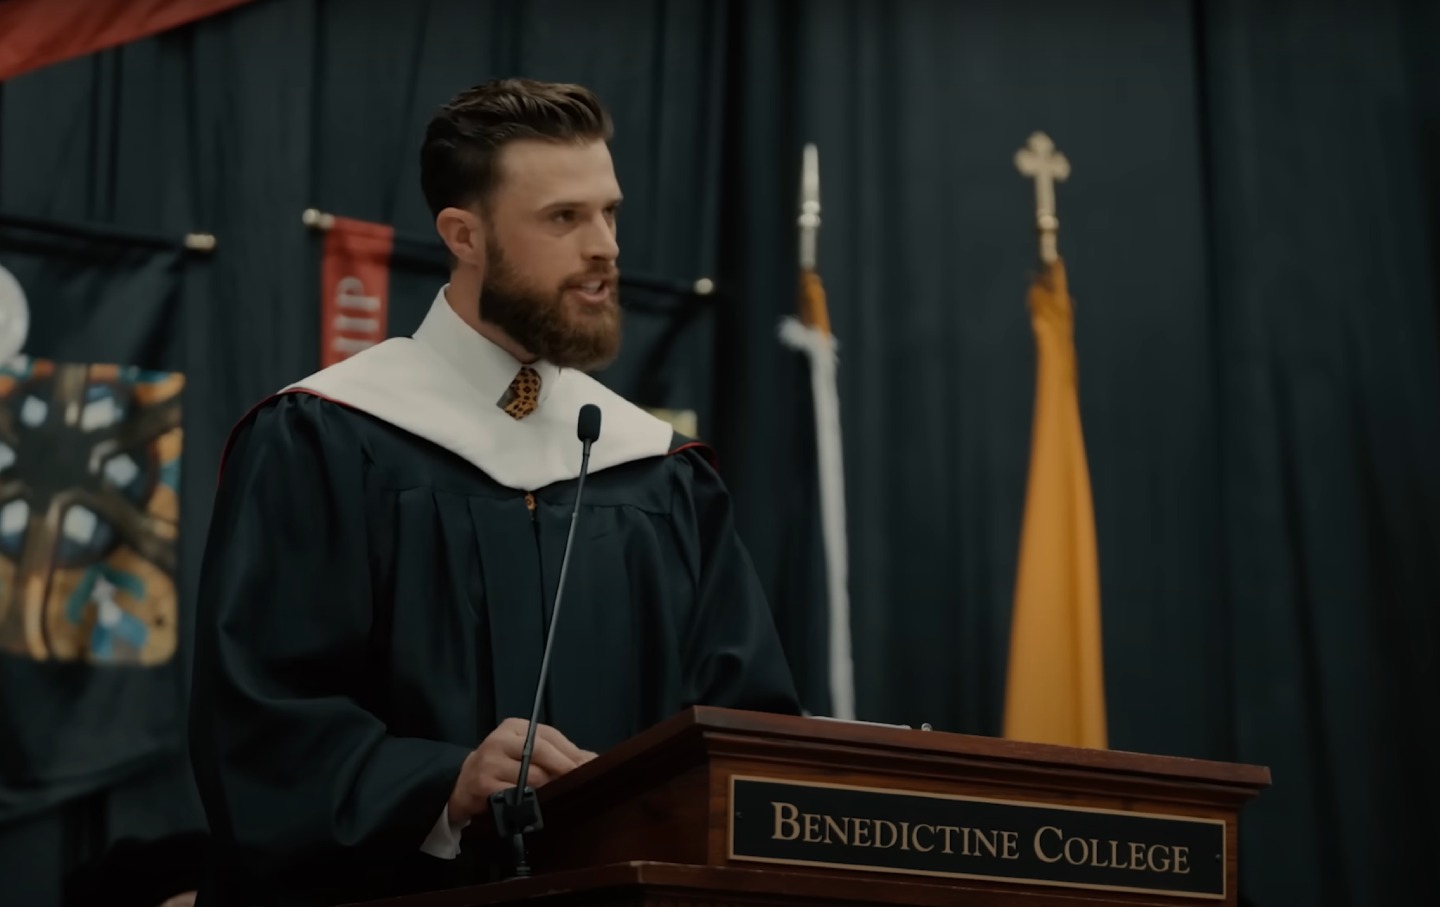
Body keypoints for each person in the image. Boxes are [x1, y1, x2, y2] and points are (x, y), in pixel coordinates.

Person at [187, 78, 800, 906]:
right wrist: (442, 784)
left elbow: (742, 738)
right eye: (563, 218)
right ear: (463, 235)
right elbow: (259, 729)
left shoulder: (657, 473)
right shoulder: (326, 437)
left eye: (610, 212)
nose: (606, 247)